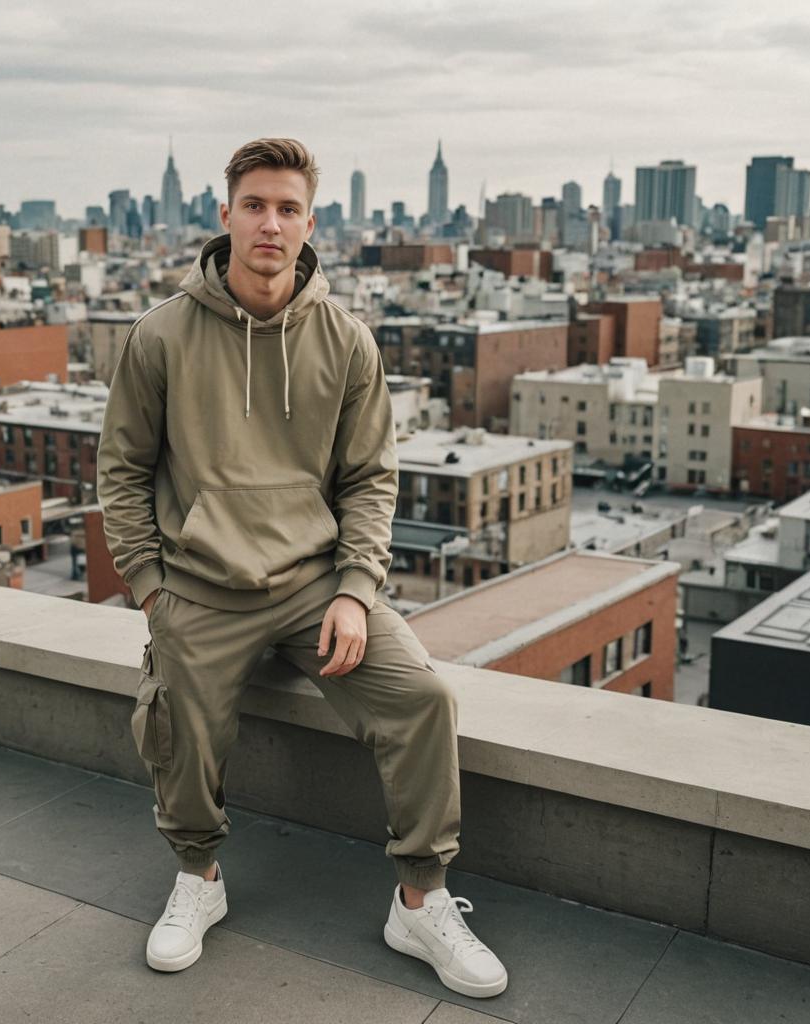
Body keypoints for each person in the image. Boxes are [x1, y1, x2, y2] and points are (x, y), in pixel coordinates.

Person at [96, 138, 507, 999]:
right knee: (176, 717)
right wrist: (152, 592)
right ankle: (197, 878)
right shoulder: (159, 336)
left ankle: (420, 900)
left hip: (318, 586)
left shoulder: (347, 341)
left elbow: (369, 478)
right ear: (225, 216)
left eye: (287, 209)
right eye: (255, 205)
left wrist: (357, 591)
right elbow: (121, 473)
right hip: (199, 588)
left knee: (425, 700)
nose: (270, 224)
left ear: (310, 223)